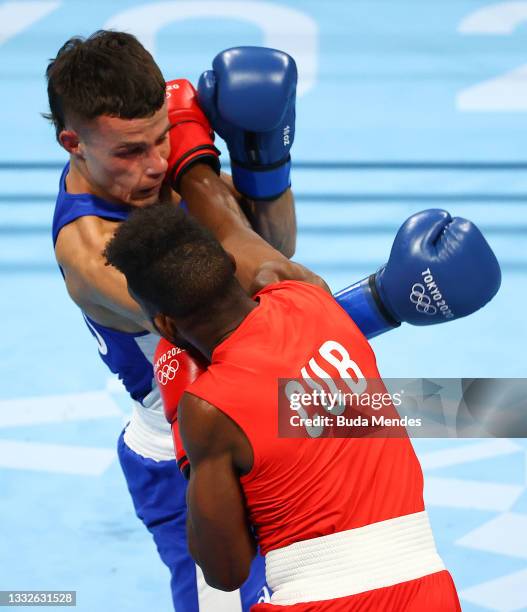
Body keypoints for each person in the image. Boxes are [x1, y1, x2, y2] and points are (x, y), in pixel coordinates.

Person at [104, 203, 499, 610]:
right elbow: (237, 232)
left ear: (165, 326)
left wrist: (187, 440)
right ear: (228, 264)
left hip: (316, 601)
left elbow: (226, 571)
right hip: (426, 588)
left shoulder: (209, 409)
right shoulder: (310, 297)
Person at [46, 31, 299, 611]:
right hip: (188, 450)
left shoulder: (137, 170)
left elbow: (271, 246)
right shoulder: (97, 256)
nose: (157, 164)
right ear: (73, 144)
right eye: (132, 152)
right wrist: (381, 304)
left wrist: (266, 166)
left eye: (163, 138)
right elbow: (260, 313)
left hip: (250, 406)